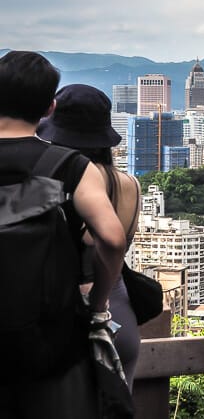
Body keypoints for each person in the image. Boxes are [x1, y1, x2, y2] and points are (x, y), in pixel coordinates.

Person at [0, 51, 127, 417]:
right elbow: (113, 238)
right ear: (49, 107)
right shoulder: (68, 164)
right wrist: (99, 303)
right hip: (50, 338)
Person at [37, 83, 143, 391]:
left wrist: (96, 305)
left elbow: (99, 243)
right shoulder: (129, 184)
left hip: (77, 310)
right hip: (121, 308)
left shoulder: (60, 183)